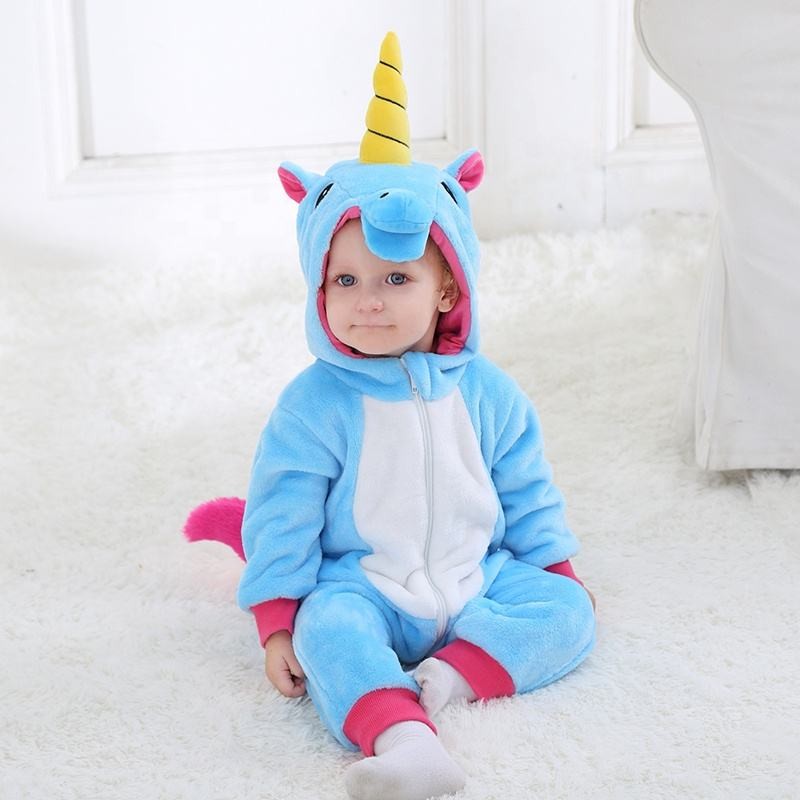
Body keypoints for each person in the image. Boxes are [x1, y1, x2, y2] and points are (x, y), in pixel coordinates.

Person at [185, 32, 596, 800]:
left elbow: (527, 489)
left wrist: (556, 567)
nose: (367, 301)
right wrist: (276, 616)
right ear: (319, 289)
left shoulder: (490, 393)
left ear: (448, 289)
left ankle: (450, 679)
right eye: (346, 280)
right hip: (364, 584)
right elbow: (282, 510)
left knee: (569, 612)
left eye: (396, 278)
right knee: (326, 631)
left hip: (478, 577)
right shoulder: (314, 405)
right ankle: (405, 740)